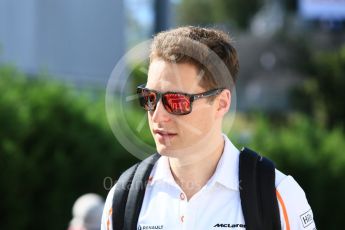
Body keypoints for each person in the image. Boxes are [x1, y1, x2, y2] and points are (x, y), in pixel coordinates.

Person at [101, 26, 316, 230]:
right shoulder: (124, 197)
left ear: (221, 103)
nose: (157, 115)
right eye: (149, 98)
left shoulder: (277, 194)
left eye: (176, 101)